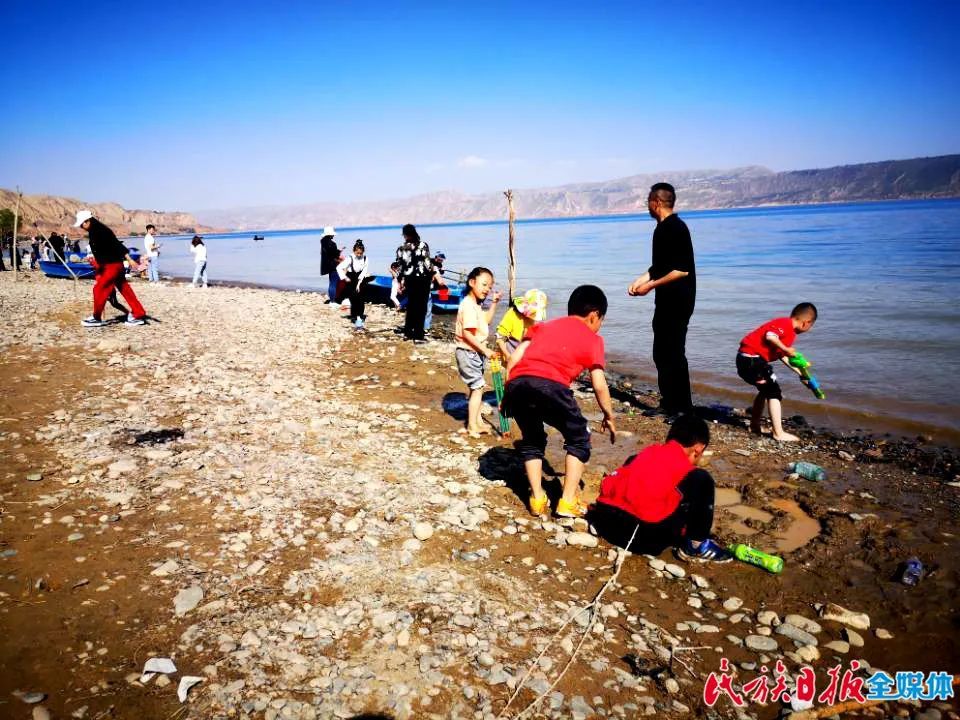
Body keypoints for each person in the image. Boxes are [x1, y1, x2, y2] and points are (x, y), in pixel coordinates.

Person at [501, 285, 616, 518]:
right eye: (601, 320)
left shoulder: (542, 326)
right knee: (580, 437)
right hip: (550, 385)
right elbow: (599, 384)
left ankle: (537, 498)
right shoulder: (593, 339)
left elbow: (513, 360)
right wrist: (609, 415)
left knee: (532, 439)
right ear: (594, 315)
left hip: (518, 384)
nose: (599, 325)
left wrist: (507, 395)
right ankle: (567, 501)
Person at [587, 415, 732, 563]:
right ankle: (696, 545)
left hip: (604, 521)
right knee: (702, 479)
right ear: (698, 449)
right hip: (639, 536)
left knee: (635, 468)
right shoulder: (685, 468)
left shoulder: (646, 453)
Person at [628, 182, 696, 416]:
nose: (647, 206)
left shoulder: (676, 228)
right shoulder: (661, 229)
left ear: (656, 203)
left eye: (648, 201)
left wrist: (650, 286)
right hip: (665, 301)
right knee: (661, 352)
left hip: (679, 301)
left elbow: (681, 270)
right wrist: (641, 279)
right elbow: (660, 266)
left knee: (674, 353)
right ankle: (668, 403)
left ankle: (683, 408)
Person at [737, 303, 818, 442]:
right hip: (752, 360)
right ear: (806, 323)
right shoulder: (784, 323)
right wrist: (786, 349)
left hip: (748, 360)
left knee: (765, 391)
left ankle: (755, 425)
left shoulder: (790, 334)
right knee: (774, 392)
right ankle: (778, 433)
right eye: (811, 326)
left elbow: (783, 356)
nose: (809, 329)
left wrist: (801, 374)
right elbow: (770, 336)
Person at [73, 209, 147, 327]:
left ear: (87, 221)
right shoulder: (95, 230)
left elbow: (116, 244)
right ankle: (138, 313)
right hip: (113, 264)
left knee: (99, 289)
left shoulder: (100, 231)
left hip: (112, 265)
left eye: (82, 224)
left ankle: (97, 318)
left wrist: (129, 259)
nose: (81, 226)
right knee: (125, 289)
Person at [455, 267, 502, 437]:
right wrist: (486, 350)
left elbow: (485, 322)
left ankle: (477, 421)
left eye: (489, 287)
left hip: (475, 352)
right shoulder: (468, 305)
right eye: (483, 284)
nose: (487, 289)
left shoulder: (475, 305)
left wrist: (494, 303)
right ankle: (472, 426)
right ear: (472, 282)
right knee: (478, 387)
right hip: (468, 352)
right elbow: (467, 334)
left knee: (477, 387)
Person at [394, 223, 432, 343]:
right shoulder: (423, 245)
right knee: (421, 308)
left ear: (405, 235)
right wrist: (433, 272)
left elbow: (400, 267)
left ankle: (408, 333)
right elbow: (427, 264)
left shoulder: (401, 248)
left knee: (411, 306)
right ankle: (418, 335)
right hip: (423, 280)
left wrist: (400, 282)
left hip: (410, 280)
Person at [496, 289, 547, 362]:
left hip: (524, 355)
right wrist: (507, 355)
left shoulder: (534, 320)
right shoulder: (512, 314)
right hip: (511, 354)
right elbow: (500, 337)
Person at [337, 239, 371, 330]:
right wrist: (344, 277)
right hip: (351, 278)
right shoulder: (350, 258)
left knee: (361, 298)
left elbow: (364, 271)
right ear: (354, 251)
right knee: (354, 298)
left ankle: (359, 317)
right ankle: (354, 316)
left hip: (360, 278)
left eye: (361, 253)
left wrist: (359, 284)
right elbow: (339, 268)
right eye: (357, 253)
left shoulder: (365, 258)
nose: (359, 255)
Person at [424, 251, 447, 333]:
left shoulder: (440, 265)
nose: (441, 261)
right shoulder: (431, 261)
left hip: (432, 284)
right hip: (429, 284)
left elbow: (440, 273)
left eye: (442, 260)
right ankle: (425, 327)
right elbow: (435, 274)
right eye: (440, 259)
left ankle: (443, 301)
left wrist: (442, 270)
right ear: (436, 257)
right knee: (427, 309)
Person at [319, 226, 340, 303]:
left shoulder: (323, 242)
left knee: (331, 282)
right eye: (332, 234)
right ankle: (333, 301)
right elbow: (334, 255)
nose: (333, 235)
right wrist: (339, 252)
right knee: (334, 283)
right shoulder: (332, 244)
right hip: (333, 265)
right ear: (330, 235)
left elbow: (327, 253)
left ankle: (332, 299)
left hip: (326, 265)